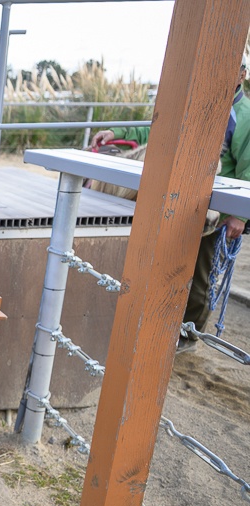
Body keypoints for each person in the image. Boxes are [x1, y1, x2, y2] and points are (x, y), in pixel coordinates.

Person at [90, 58, 250, 350]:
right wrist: (118, 133)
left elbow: (249, 168)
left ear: (242, 74)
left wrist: (239, 213)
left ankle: (187, 337)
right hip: (180, 203)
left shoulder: (244, 116)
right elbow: (159, 133)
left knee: (202, 274)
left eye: (231, 67)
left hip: (215, 210)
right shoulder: (199, 104)